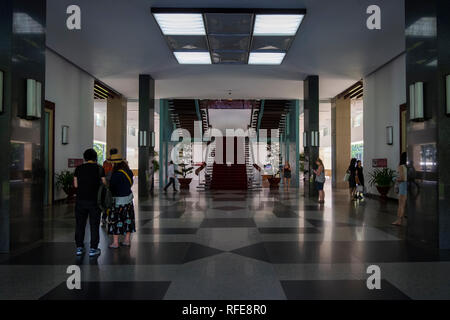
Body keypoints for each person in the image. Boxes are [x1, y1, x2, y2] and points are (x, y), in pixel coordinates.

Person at [73, 148, 106, 257]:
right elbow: (104, 184)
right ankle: (93, 249)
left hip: (80, 201)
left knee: (80, 225)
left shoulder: (79, 168)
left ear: (85, 158)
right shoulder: (99, 168)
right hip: (94, 202)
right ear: (95, 157)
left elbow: (76, 185)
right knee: (94, 225)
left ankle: (79, 247)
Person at [108, 158, 136, 247]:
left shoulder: (115, 174)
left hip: (117, 201)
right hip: (128, 200)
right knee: (128, 219)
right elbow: (130, 183)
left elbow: (112, 187)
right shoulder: (129, 172)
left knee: (115, 220)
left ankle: (115, 242)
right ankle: (127, 240)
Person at [101, 149, 121, 227]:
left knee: (107, 202)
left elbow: (103, 174)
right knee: (114, 202)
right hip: (114, 185)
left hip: (107, 185)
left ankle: (104, 218)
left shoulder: (105, 162)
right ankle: (113, 218)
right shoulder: (118, 163)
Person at [392, 152, 408, 226]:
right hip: (408, 186)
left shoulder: (401, 166)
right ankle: (402, 219)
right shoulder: (408, 166)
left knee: (401, 205)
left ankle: (399, 221)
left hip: (403, 186)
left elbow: (402, 178)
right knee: (404, 205)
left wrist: (395, 179)